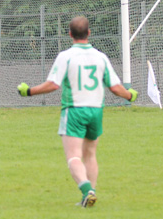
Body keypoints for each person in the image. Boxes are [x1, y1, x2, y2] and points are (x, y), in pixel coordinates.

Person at [17, 16, 138, 208]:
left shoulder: (66, 56)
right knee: (90, 154)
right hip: (96, 111)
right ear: (89, 33)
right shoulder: (101, 57)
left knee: (73, 156)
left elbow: (53, 84)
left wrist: (29, 91)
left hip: (74, 111)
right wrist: (129, 96)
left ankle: (86, 191)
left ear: (70, 34)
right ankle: (90, 195)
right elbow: (115, 88)